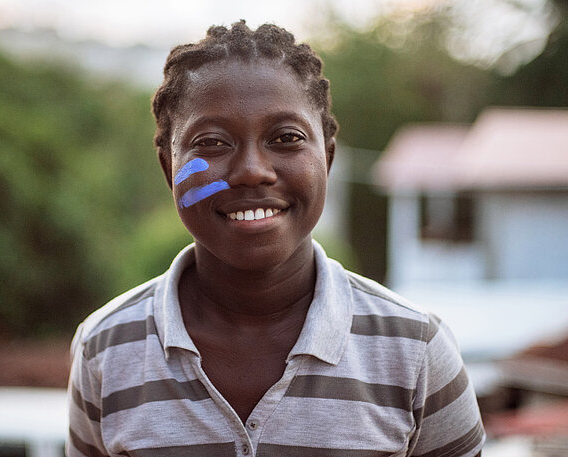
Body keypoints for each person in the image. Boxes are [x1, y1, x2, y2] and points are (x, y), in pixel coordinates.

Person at [67, 21, 485, 457]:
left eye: (286, 138)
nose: (251, 170)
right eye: (211, 142)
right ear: (169, 169)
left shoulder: (415, 350)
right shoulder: (106, 348)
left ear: (327, 156)